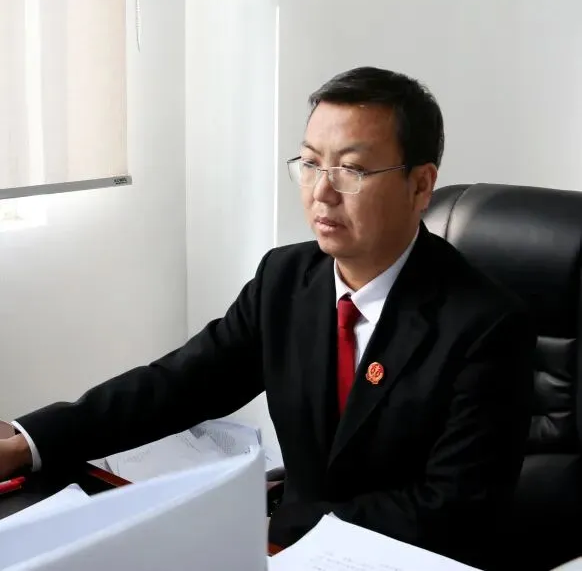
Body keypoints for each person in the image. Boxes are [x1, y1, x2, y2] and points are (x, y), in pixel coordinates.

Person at [0, 67, 534, 567]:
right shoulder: (286, 279)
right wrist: (30, 442)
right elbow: (177, 385)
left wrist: (275, 530)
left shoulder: (486, 325)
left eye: (351, 170)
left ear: (420, 185)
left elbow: (454, 508)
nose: (321, 192)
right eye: (311, 163)